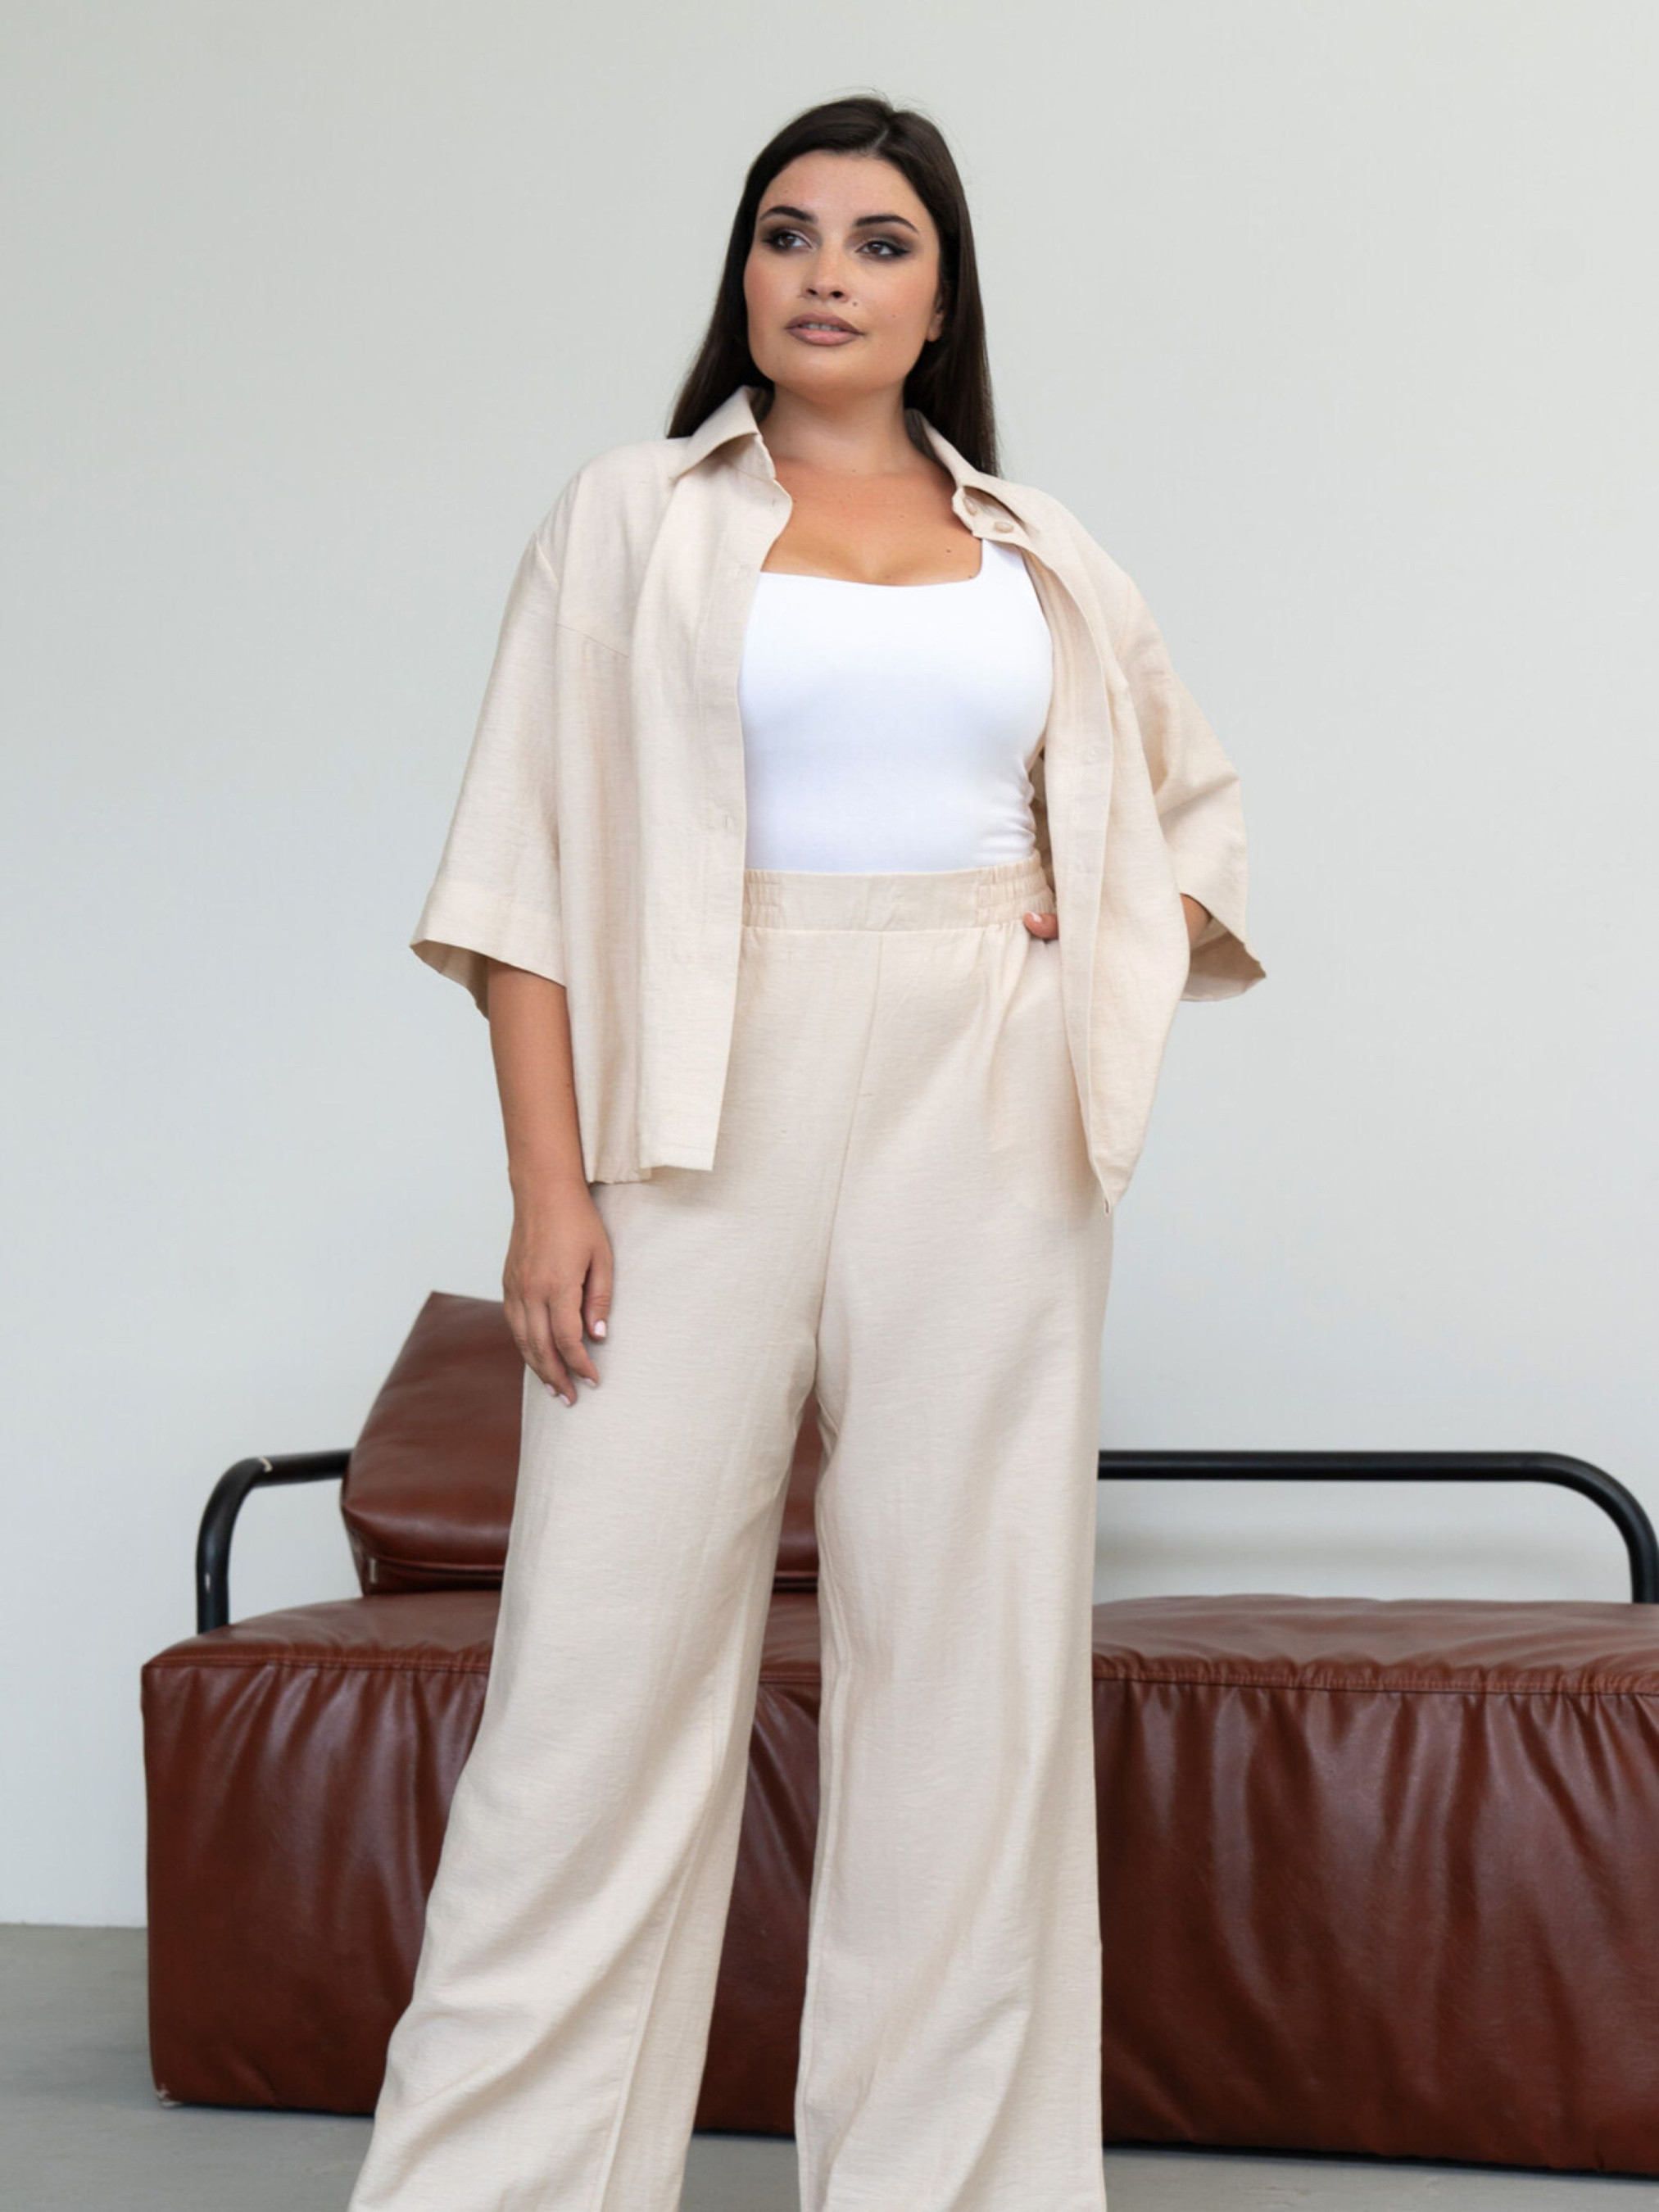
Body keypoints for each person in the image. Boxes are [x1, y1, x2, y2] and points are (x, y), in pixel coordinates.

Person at [347, 92, 1264, 2212]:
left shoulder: (1042, 552)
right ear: (743, 278)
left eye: (876, 241)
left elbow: (1181, 820)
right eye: (786, 233)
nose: (823, 274)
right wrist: (549, 1190)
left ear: (942, 302)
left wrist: (1086, 914)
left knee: (971, 1675)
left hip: (988, 1108)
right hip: (694, 1087)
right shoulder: (628, 520)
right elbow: (525, 874)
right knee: (592, 1669)